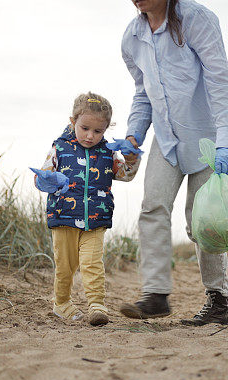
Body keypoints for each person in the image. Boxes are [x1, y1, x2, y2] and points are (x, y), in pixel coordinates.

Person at [117, 0, 228, 325]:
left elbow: (220, 81)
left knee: (203, 220)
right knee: (152, 207)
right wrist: (134, 135)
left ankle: (218, 301)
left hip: (209, 132)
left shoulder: (196, 19)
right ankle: (156, 295)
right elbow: (143, 93)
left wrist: (226, 143)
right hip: (167, 134)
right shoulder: (132, 37)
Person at [32, 92, 141, 326]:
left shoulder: (108, 151)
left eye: (98, 131)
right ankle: (61, 303)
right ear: (73, 122)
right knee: (65, 265)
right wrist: (47, 180)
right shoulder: (59, 148)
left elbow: (126, 175)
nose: (90, 136)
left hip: (96, 218)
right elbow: (42, 177)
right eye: (85, 128)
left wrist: (132, 159)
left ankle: (96, 305)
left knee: (93, 263)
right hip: (63, 217)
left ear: (106, 129)